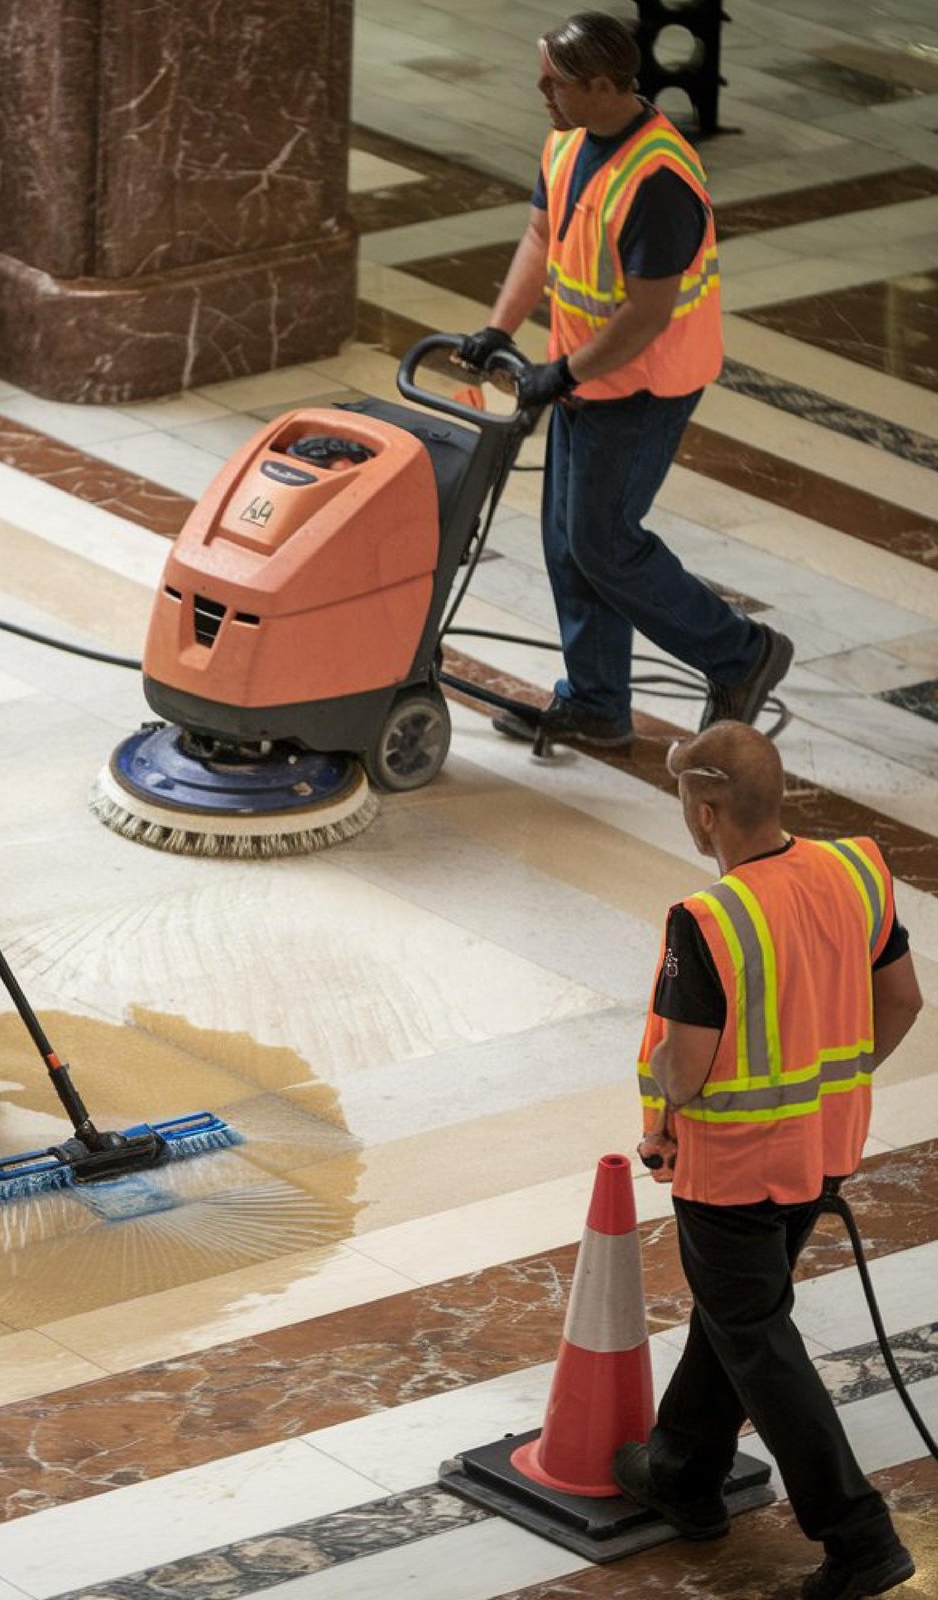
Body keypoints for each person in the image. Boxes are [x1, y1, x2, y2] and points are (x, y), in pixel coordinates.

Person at [614, 721, 923, 1600]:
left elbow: (686, 1067)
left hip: (734, 1169)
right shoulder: (858, 869)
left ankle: (860, 1539)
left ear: (706, 814)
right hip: (825, 1148)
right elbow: (902, 1000)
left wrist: (663, 1094)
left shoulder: (710, 920)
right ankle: (683, 1472)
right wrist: (839, 1079)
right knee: (739, 1316)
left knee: (760, 1341)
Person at [456, 12, 792, 749]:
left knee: (604, 543)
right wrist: (499, 329)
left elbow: (647, 314)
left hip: (644, 388)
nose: (541, 93)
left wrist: (562, 372)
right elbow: (540, 235)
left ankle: (742, 653)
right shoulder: (566, 140)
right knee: (567, 541)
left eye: (554, 83)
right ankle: (597, 703)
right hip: (585, 377)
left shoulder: (657, 180)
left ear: (604, 85)